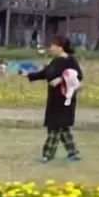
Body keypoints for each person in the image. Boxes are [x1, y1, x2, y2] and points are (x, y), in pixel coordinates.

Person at [27, 35, 83, 163]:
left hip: (65, 99)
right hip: (54, 99)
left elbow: (78, 76)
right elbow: (45, 73)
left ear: (60, 47)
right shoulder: (55, 61)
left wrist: (61, 79)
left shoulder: (70, 61)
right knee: (63, 128)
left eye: (52, 45)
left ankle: (47, 155)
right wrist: (29, 75)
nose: (50, 48)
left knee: (54, 127)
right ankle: (73, 153)